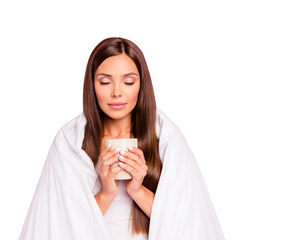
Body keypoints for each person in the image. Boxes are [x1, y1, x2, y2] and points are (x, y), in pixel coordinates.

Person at [19, 37, 225, 240]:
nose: (116, 92)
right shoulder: (71, 143)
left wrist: (136, 190)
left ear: (141, 85)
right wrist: (107, 192)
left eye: (128, 82)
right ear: (92, 85)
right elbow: (59, 227)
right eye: (105, 82)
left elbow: (187, 224)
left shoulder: (165, 139)